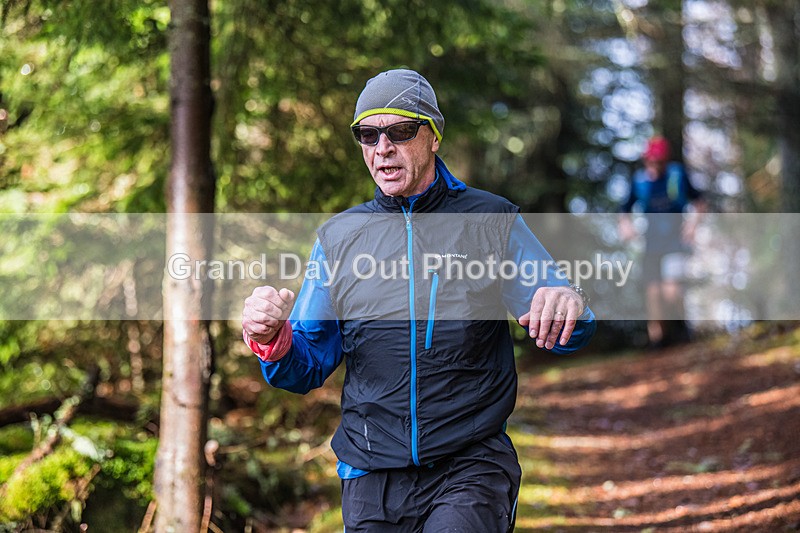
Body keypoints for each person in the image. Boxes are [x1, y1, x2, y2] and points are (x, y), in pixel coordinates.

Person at [242, 69, 596, 532]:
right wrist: (271, 338)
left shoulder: (491, 220)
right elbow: (306, 364)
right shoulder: (339, 239)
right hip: (371, 474)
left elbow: (565, 320)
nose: (382, 147)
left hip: (470, 465)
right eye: (367, 134)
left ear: (433, 136)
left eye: (400, 131)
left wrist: (571, 304)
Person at [618, 136, 705, 348]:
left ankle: (682, 328)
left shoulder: (677, 176)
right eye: (651, 160)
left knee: (671, 291)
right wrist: (626, 227)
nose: (655, 165)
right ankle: (658, 339)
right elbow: (624, 210)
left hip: (675, 243)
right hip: (651, 244)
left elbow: (700, 202)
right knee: (653, 292)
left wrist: (692, 226)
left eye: (659, 161)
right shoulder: (640, 181)